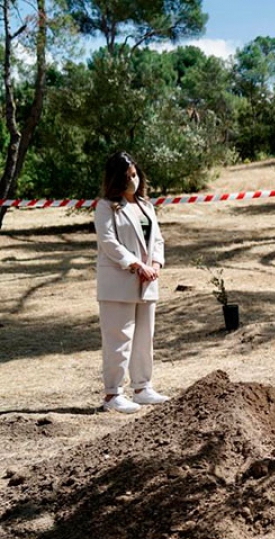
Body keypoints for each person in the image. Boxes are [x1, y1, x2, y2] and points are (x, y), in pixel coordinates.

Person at [95, 151, 169, 413]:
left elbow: (157, 239)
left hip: (147, 283)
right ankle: (112, 394)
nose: (133, 181)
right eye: (128, 177)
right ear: (117, 179)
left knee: (143, 338)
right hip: (119, 283)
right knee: (119, 339)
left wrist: (156, 265)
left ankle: (142, 388)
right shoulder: (105, 207)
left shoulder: (146, 206)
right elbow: (109, 242)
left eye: (135, 175)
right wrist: (137, 265)